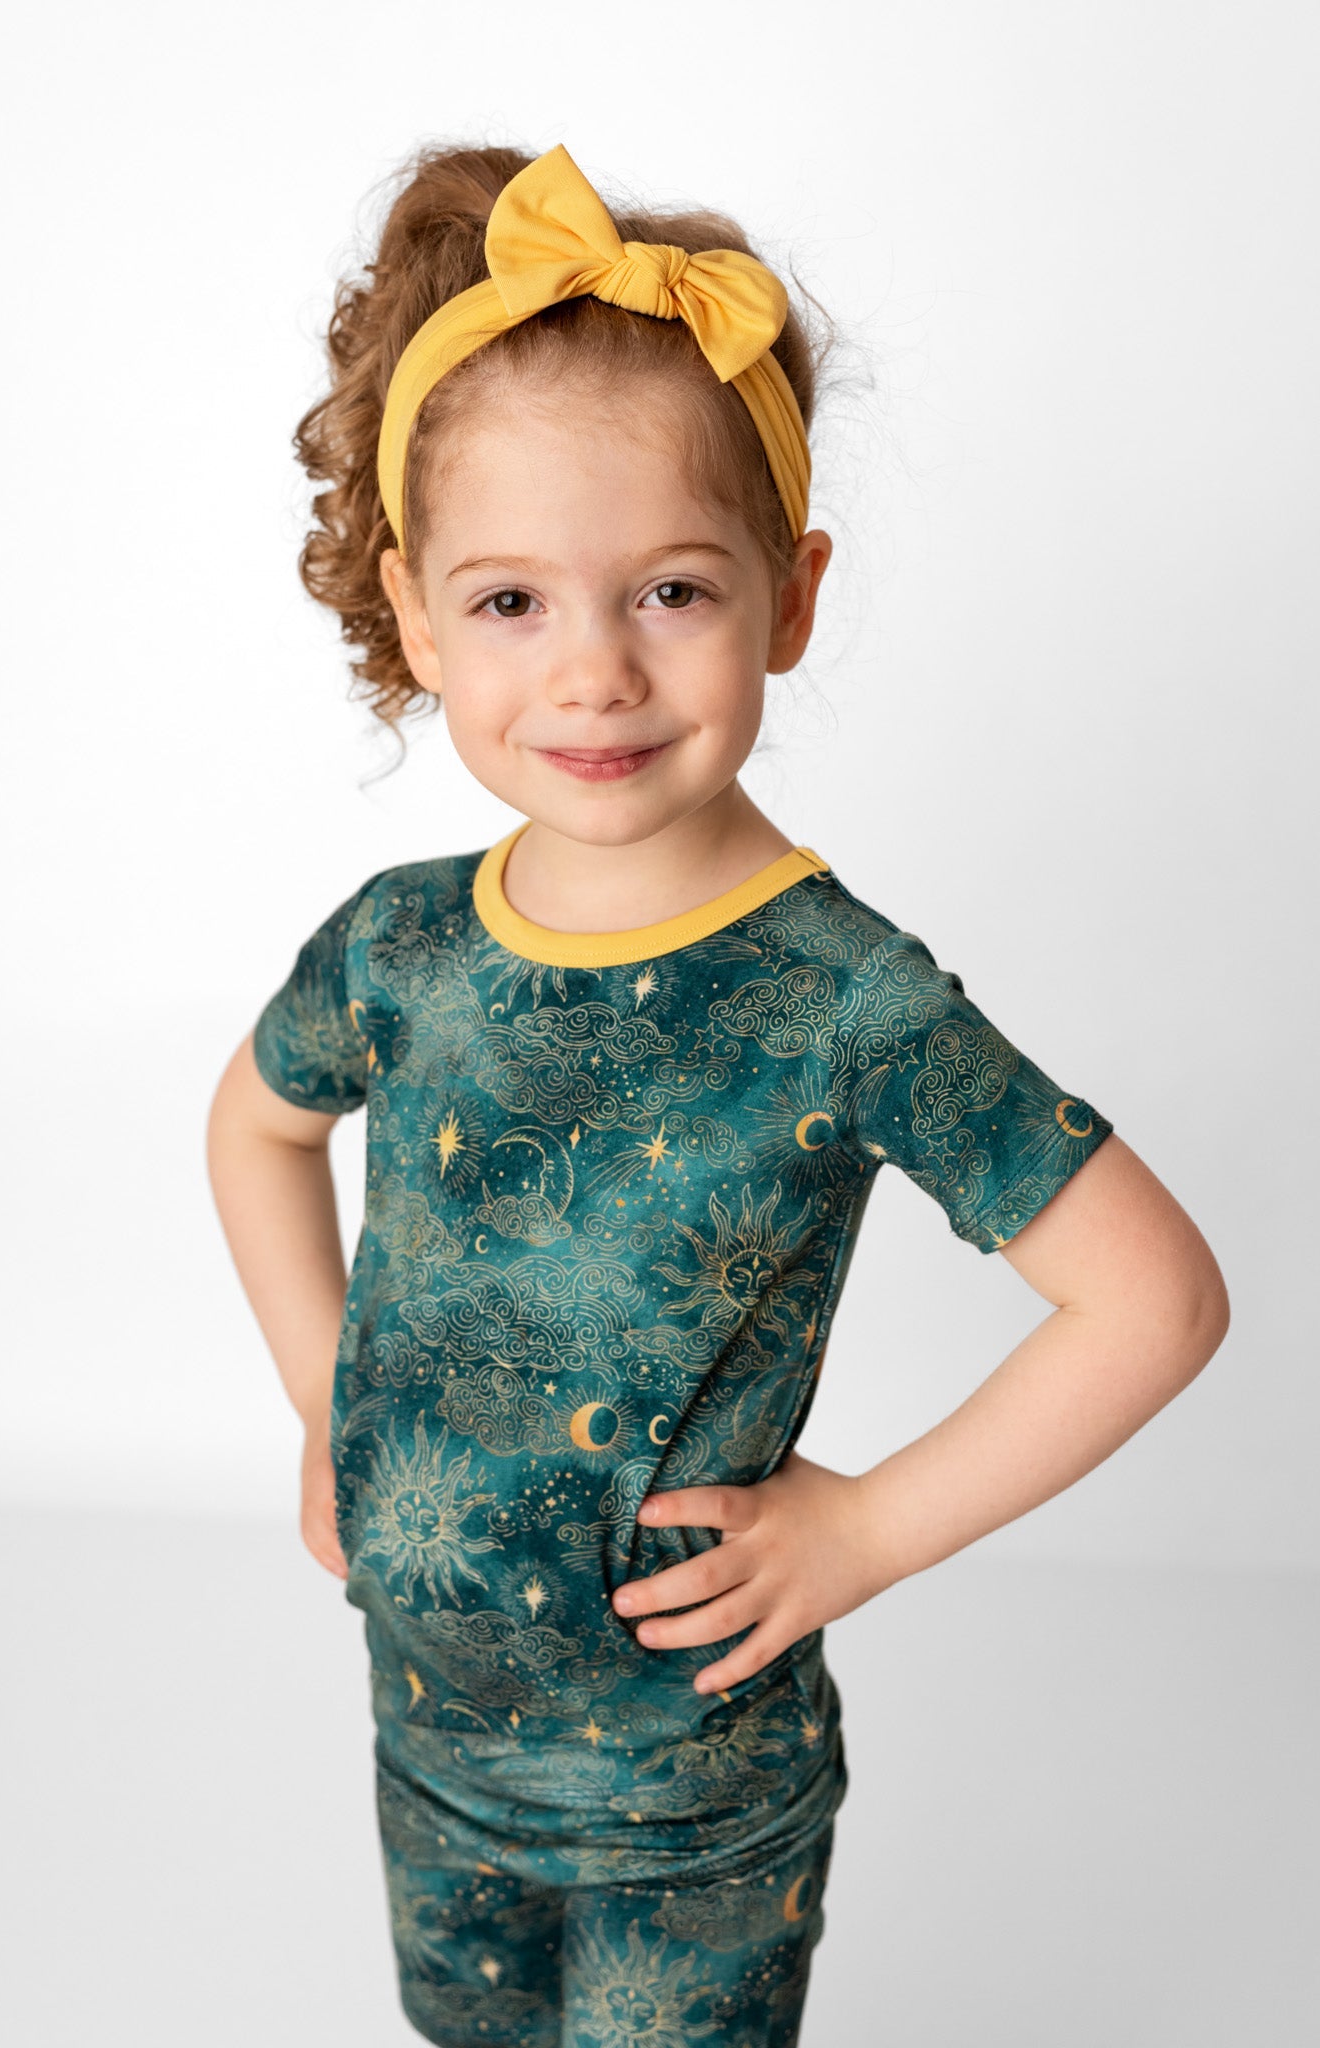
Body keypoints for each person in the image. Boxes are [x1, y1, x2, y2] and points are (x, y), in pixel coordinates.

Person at [206, 141, 1229, 2048]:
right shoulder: (400, 943)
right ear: (416, 616)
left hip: (692, 1806)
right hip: (430, 1746)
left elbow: (1154, 1300)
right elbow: (256, 1126)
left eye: (670, 588)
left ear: (790, 595)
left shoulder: (844, 1001)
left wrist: (867, 1532)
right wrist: (325, 1396)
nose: (594, 671)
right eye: (511, 602)